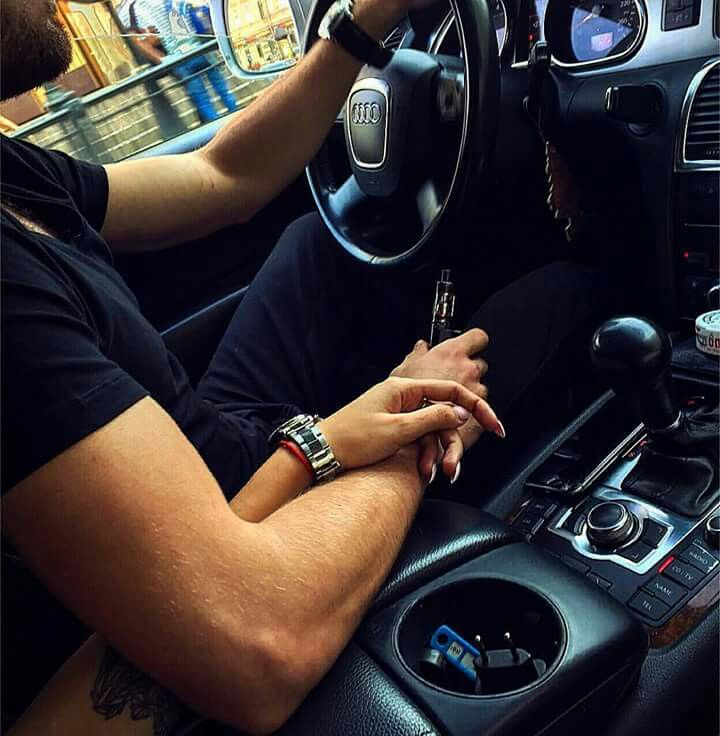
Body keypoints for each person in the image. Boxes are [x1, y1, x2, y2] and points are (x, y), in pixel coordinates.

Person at [0, 0, 613, 733]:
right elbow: (259, 639)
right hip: (218, 559)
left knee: (315, 244)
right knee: (561, 293)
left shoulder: (13, 175)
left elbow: (223, 173)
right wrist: (411, 423)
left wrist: (363, 23)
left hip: (207, 450)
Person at [120, 0, 238, 123]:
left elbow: (147, 40)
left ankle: (217, 127)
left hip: (178, 58)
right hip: (200, 49)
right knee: (223, 90)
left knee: (202, 100)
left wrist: (163, 58)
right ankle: (236, 118)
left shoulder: (134, 10)